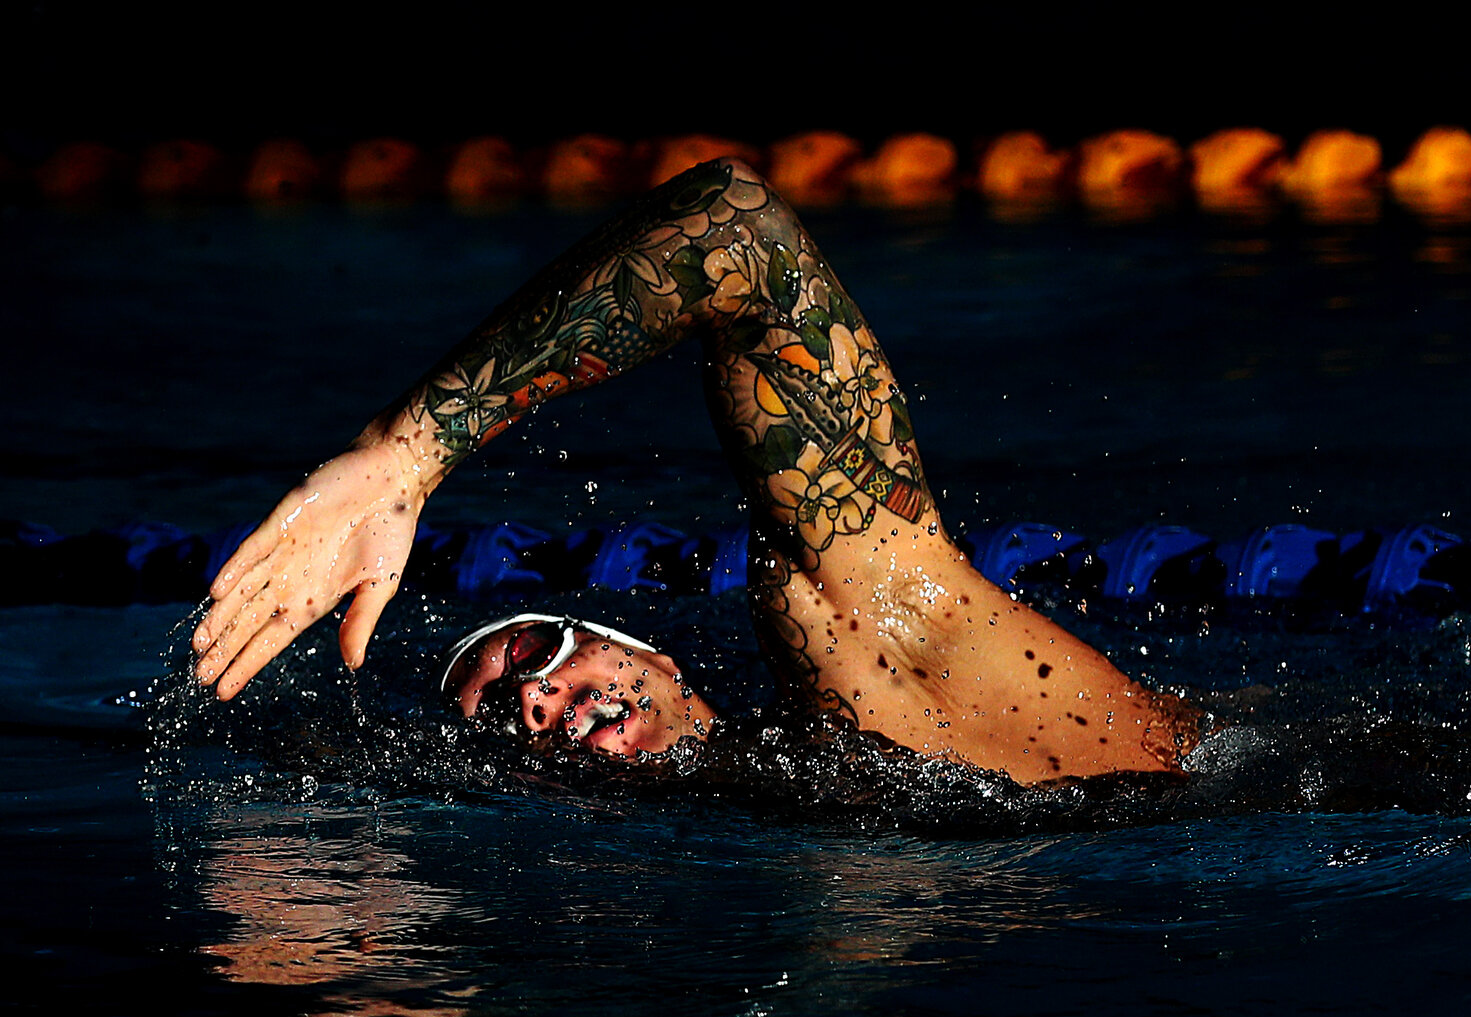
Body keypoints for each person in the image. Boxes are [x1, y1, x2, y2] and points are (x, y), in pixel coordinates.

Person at [192, 159, 1189, 784]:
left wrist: (405, 453)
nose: (535, 702)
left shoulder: (867, 643)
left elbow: (741, 233)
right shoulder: (759, 828)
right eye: (505, 718)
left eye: (538, 654)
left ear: (657, 657)